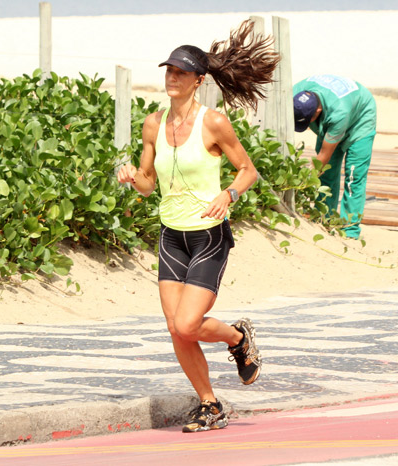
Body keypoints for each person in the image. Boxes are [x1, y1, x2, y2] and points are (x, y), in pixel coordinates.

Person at [117, 21, 279, 433]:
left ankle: (238, 339)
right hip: (172, 235)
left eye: (181, 72)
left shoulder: (214, 122)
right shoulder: (153, 123)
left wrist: (229, 194)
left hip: (208, 235)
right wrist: (133, 177)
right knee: (177, 329)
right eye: (169, 71)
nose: (172, 78)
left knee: (189, 324)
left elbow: (248, 170)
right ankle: (210, 404)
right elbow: (148, 185)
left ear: (198, 81)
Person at [292, 75, 377, 239]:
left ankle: (350, 230)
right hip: (336, 110)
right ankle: (324, 220)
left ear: (317, 111)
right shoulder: (295, 92)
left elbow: (324, 156)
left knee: (353, 177)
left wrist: (303, 184)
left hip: (360, 119)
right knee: (327, 176)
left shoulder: (338, 113)